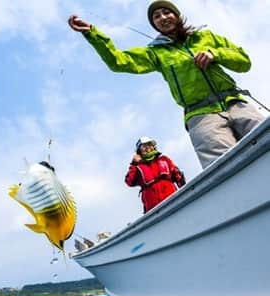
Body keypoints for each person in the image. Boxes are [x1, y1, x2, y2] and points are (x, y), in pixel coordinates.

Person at [68, 1, 264, 169]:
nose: (162, 17)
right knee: (226, 167)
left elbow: (244, 62)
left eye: (166, 12)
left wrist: (215, 54)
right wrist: (93, 34)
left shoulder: (206, 37)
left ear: (177, 15)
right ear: (155, 25)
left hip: (235, 102)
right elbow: (119, 61)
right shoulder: (155, 53)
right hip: (201, 116)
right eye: (156, 16)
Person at [125, 137, 186, 213]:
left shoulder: (164, 159)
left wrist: (184, 193)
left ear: (153, 146)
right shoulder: (137, 168)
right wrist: (134, 164)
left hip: (173, 202)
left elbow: (178, 176)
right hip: (153, 209)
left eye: (149, 144)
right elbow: (129, 181)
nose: (147, 147)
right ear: (139, 151)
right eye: (143, 146)